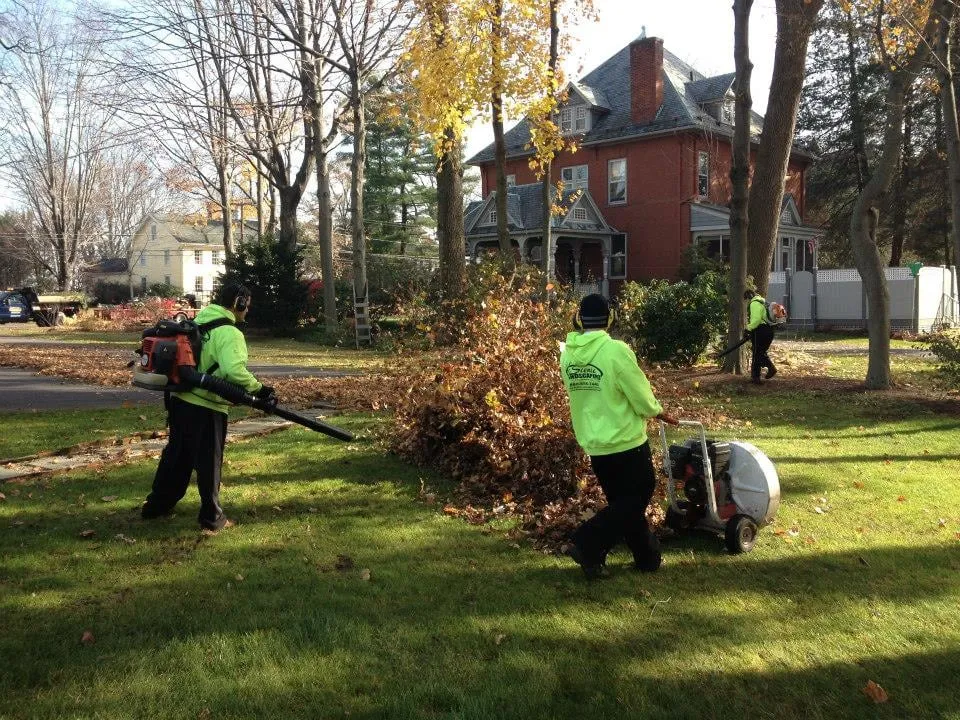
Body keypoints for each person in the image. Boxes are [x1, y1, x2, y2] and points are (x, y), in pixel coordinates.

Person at [559, 293, 678, 579]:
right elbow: (638, 393)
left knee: (624, 505)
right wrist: (656, 410)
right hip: (625, 441)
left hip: (595, 443)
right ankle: (587, 542)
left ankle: (646, 558)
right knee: (637, 496)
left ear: (578, 319)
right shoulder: (616, 351)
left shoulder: (567, 355)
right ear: (610, 320)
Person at [141, 283, 276, 531]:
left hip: (181, 401)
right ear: (239, 303)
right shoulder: (230, 333)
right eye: (247, 306)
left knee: (177, 456)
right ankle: (212, 517)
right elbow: (233, 371)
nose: (247, 311)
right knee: (209, 464)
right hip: (207, 406)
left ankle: (156, 505)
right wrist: (260, 390)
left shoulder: (200, 320)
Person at [744, 289, 777, 384]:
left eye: (746, 299)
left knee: (757, 353)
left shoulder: (754, 303)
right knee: (760, 353)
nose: (747, 302)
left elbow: (756, 320)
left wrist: (748, 329)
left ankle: (758, 376)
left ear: (749, 296)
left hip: (760, 330)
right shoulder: (763, 302)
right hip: (769, 330)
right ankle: (764, 372)